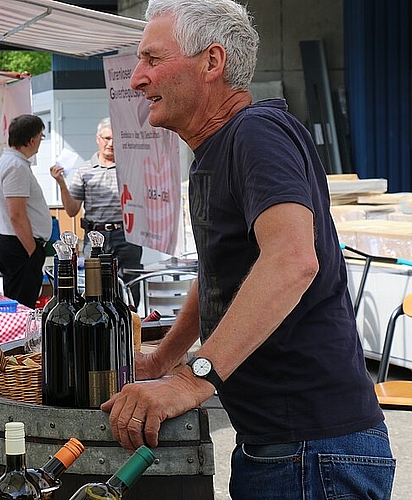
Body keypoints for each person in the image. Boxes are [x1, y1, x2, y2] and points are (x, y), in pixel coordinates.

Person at [100, 1, 395, 499]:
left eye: (152, 59)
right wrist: (163, 357)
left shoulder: (255, 133)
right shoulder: (217, 150)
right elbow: (223, 274)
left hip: (312, 451)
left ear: (211, 63)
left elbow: (292, 260)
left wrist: (193, 379)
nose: (136, 79)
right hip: (285, 447)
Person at [50, 116, 143, 303]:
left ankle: (131, 326)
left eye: (115, 138)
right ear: (98, 139)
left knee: (129, 287)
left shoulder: (131, 167)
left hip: (126, 235)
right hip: (95, 235)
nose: (111, 143)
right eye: (107, 138)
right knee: (95, 287)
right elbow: (71, 210)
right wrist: (61, 184)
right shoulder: (84, 170)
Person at [0, 114, 51, 308]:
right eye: (40, 137)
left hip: (17, 244)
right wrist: (33, 251)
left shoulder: (11, 162)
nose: (40, 141)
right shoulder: (15, 165)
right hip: (20, 245)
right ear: (32, 140)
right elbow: (16, 215)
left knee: (21, 304)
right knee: (22, 308)